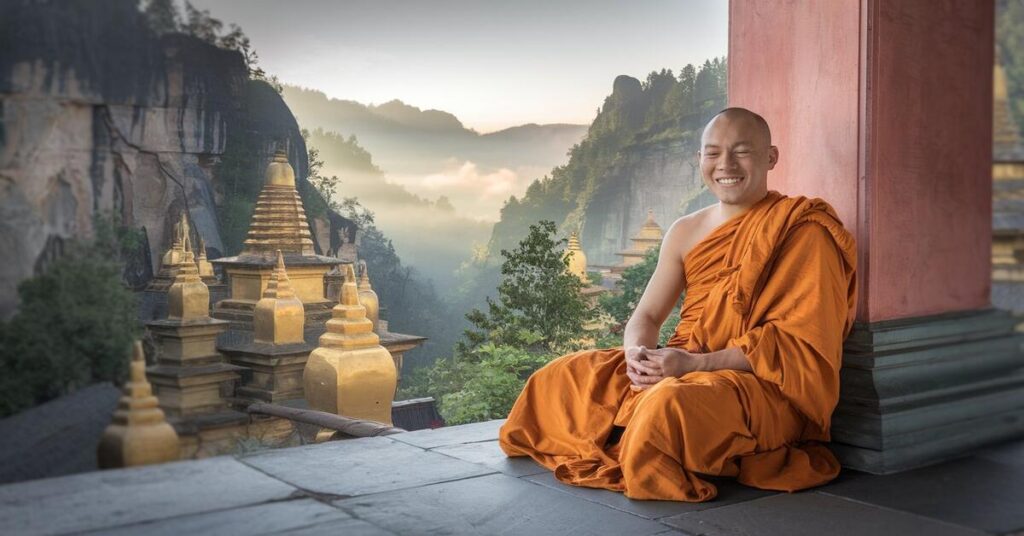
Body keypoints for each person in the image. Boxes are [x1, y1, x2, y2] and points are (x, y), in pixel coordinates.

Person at [498, 107, 858, 502]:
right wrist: (637, 356)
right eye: (713, 153)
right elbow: (648, 315)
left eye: (741, 152)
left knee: (668, 405)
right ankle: (632, 430)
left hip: (760, 383)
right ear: (699, 159)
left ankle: (638, 435)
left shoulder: (804, 230)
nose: (726, 165)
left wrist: (696, 365)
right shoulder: (685, 230)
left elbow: (796, 345)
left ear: (770, 157)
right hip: (681, 361)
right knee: (560, 377)